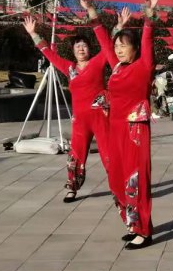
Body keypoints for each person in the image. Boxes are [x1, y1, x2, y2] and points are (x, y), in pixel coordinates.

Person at [77, 0, 163, 249]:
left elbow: (148, 37)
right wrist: (91, 9)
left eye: (124, 46)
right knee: (116, 178)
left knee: (136, 178)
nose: (119, 49)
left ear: (135, 49)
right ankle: (132, 222)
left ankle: (143, 231)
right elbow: (103, 40)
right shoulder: (115, 66)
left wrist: (149, 13)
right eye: (117, 46)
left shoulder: (143, 66)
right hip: (114, 129)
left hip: (135, 130)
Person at [23, 16, 111, 202]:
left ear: (90, 49)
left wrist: (119, 26)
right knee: (76, 154)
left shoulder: (97, 62)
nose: (81, 49)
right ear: (73, 50)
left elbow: (108, 47)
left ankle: (118, 186)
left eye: (84, 46)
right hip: (80, 120)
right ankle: (72, 187)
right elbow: (49, 54)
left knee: (109, 153)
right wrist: (33, 34)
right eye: (77, 46)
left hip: (101, 117)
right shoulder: (69, 68)